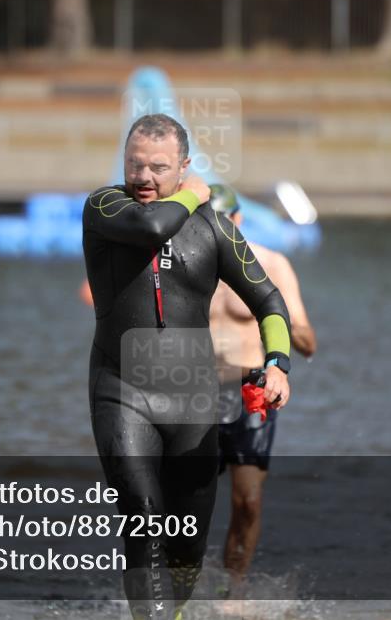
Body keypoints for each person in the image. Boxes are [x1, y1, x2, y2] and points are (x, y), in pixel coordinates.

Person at [83, 114, 292, 620]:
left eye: (158, 167)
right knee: (142, 511)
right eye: (135, 165)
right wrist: (195, 194)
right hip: (121, 389)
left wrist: (278, 363)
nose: (144, 177)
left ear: (184, 165)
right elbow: (155, 225)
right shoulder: (106, 207)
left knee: (188, 541)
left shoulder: (214, 229)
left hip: (193, 399)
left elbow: (269, 301)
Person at [207, 184, 316, 592]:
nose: (212, 231)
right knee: (183, 499)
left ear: (237, 220)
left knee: (248, 500)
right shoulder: (184, 263)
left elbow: (308, 340)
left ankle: (233, 587)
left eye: (219, 222)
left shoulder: (270, 263)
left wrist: (277, 322)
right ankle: (181, 582)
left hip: (250, 387)